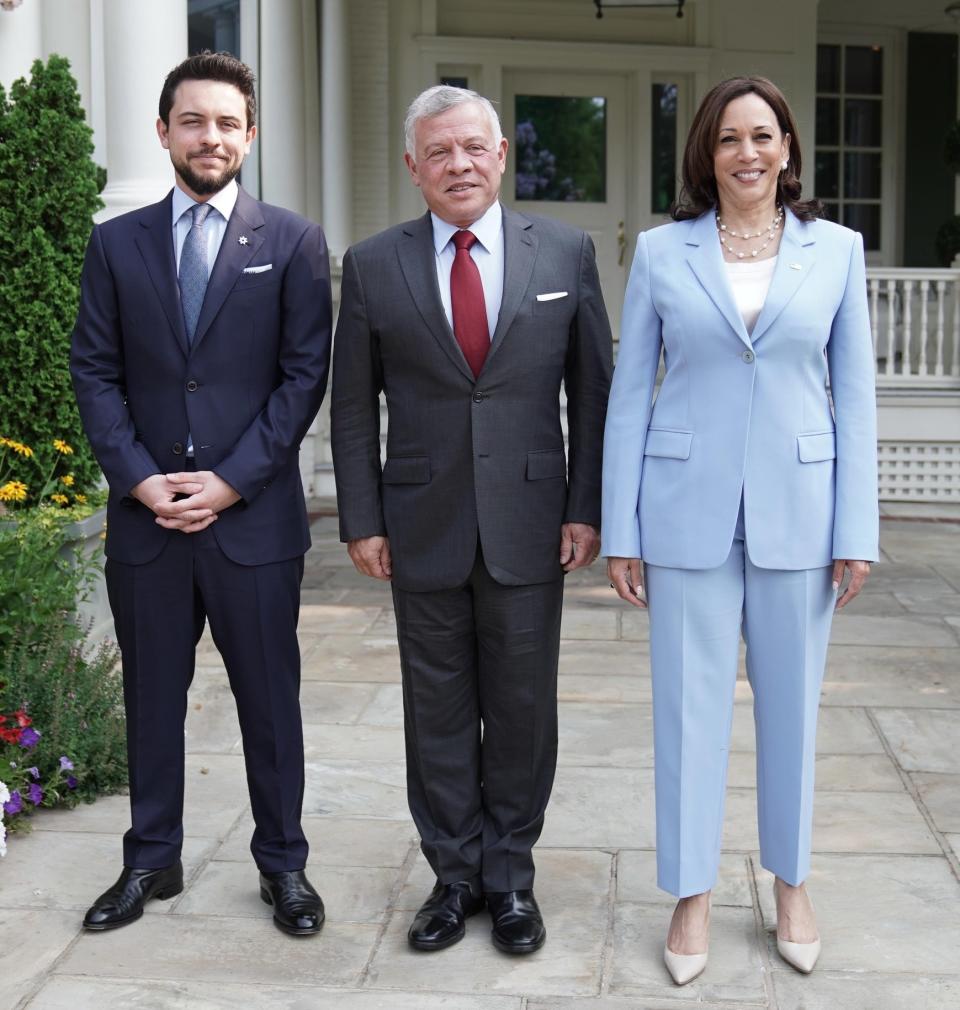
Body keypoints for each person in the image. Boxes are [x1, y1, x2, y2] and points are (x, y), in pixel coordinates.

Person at [602, 76, 878, 984]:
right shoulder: (660, 252)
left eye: (764, 136)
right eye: (729, 139)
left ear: (789, 149)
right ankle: (690, 896)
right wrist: (621, 528)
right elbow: (629, 397)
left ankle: (790, 882)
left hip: (801, 512)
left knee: (792, 713)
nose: (748, 153)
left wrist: (857, 526)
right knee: (688, 711)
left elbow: (856, 402)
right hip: (685, 515)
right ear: (706, 155)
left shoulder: (837, 252)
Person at [331, 85, 612, 954]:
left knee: (524, 710)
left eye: (474, 148)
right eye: (439, 152)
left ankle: (511, 879)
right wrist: (361, 518)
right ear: (414, 167)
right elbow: (350, 405)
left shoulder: (564, 252)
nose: (459, 164)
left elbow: (593, 393)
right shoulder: (374, 264)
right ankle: (453, 878)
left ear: (500, 156)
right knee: (438, 709)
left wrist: (586, 506)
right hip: (420, 525)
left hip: (532, 523)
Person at [70, 52, 332, 936]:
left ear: (250, 135)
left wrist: (227, 482)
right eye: (193, 121)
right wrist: (141, 482)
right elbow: (94, 372)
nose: (210, 136)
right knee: (151, 698)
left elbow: (302, 379)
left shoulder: (293, 241)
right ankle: (151, 860)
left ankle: (284, 866)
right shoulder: (116, 242)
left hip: (252, 521)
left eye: (227, 122)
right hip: (147, 526)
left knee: (269, 702)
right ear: (163, 131)